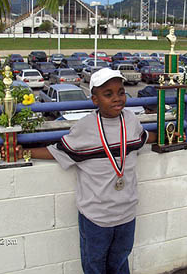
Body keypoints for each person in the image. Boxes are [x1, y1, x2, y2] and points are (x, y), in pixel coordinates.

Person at [8, 67, 158, 274]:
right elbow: (57, 152)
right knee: (94, 264)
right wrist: (25, 152)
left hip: (127, 213)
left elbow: (144, 138)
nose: (117, 98)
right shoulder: (85, 127)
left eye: (121, 92)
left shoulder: (131, 121)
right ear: (95, 100)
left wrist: (166, 135)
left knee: (120, 261)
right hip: (96, 217)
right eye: (108, 94)